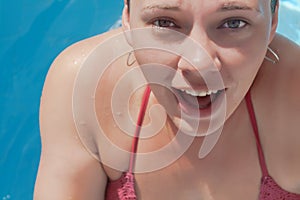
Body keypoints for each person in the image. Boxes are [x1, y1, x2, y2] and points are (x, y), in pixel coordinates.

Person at [34, 0, 300, 199]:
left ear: (273, 21)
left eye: (234, 23)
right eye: (164, 23)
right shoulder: (83, 84)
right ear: (127, 18)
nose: (198, 64)